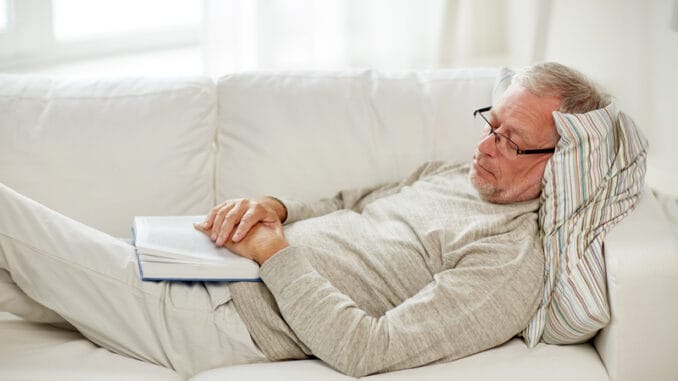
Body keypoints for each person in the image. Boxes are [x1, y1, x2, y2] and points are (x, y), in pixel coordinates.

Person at [0, 62, 610, 378]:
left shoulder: (507, 262)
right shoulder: (458, 175)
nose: (484, 145)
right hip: (208, 268)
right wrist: (277, 210)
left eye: (509, 140)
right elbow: (354, 201)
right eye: (490, 123)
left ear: (560, 163)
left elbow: (368, 350)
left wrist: (274, 253)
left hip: (217, 317)